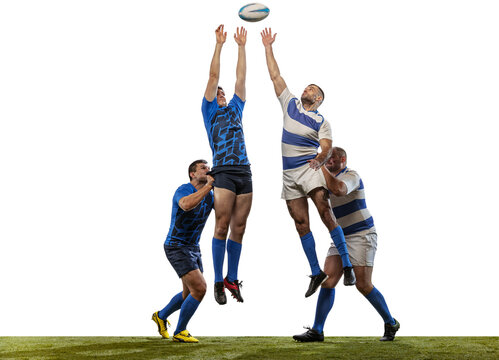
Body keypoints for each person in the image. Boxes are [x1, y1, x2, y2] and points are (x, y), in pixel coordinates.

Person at [260, 28, 355, 297]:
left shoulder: (321, 121)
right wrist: (268, 47)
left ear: (319, 99)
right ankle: (316, 272)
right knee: (301, 223)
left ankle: (347, 265)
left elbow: (326, 146)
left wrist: (320, 158)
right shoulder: (289, 104)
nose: (306, 89)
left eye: (312, 89)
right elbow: (275, 76)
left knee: (325, 212)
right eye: (306, 86)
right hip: (289, 175)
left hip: (310, 168)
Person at [293, 147, 400, 342]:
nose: (327, 161)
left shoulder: (351, 175)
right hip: (341, 236)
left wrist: (320, 166)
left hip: (362, 234)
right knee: (328, 280)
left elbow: (339, 190)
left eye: (330, 157)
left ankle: (390, 322)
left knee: (363, 284)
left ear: (343, 159)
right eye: (325, 158)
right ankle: (317, 330)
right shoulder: (324, 180)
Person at [202, 25, 252, 305]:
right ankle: (219, 281)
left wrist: (242, 47)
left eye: (222, 93)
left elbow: (241, 78)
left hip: (244, 171)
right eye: (217, 93)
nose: (220, 94)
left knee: (240, 227)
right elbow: (213, 76)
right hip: (222, 171)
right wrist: (220, 45)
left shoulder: (235, 107)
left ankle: (232, 278)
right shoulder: (209, 111)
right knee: (221, 226)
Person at [151, 160, 214, 343]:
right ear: (192, 174)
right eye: (203, 168)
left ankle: (160, 316)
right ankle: (180, 331)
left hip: (194, 247)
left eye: (209, 168)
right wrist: (209, 185)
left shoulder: (210, 195)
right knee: (200, 289)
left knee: (189, 294)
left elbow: (227, 210)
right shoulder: (184, 189)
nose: (208, 170)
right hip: (176, 246)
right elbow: (186, 205)